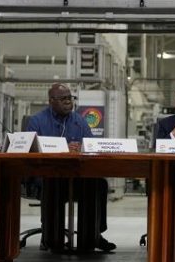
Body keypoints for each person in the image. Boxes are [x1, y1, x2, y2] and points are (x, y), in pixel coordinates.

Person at [24, 83, 115, 252]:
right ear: (51, 101)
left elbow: (91, 146)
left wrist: (81, 147)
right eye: (63, 99)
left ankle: (92, 235)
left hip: (76, 175)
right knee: (54, 183)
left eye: (70, 98)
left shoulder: (79, 120)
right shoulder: (36, 121)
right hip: (47, 176)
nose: (68, 102)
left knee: (98, 183)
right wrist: (63, 148)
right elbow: (30, 150)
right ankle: (51, 238)